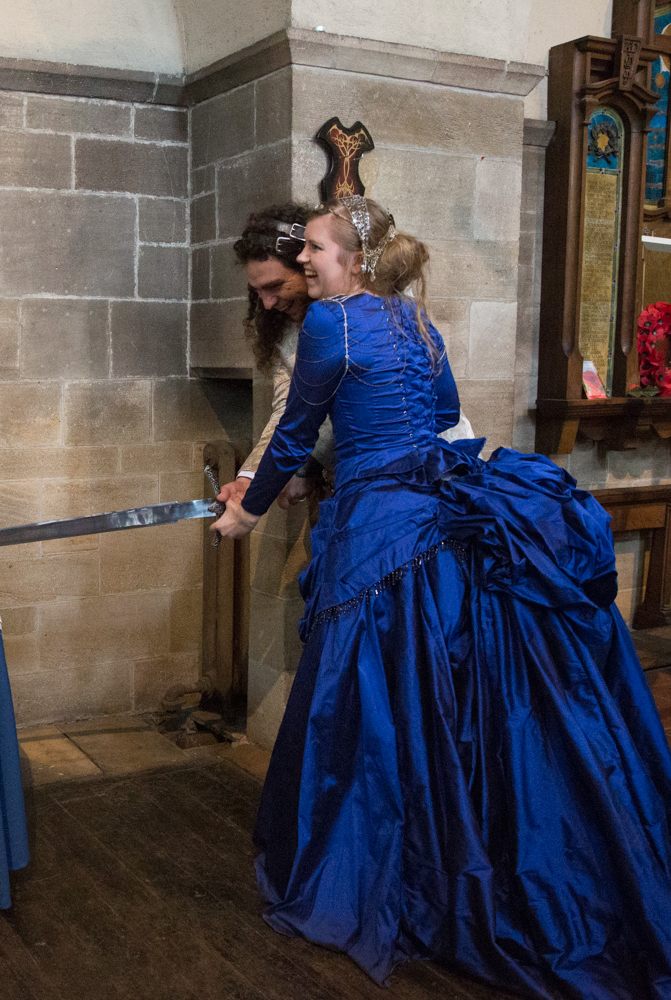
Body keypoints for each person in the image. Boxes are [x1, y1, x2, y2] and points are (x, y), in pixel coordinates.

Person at [211, 196, 671, 1000]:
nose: (307, 260)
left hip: (375, 531)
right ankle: (444, 852)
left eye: (315, 248)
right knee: (431, 702)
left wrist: (246, 510)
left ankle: (373, 865)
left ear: (352, 257)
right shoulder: (419, 325)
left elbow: (293, 433)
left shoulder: (333, 324)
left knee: (366, 702)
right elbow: (443, 417)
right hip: (432, 518)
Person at [221, 205, 471, 512]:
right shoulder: (290, 330)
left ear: (310, 266)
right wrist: (249, 478)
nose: (267, 303)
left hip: (424, 472)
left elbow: (417, 411)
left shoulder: (375, 312)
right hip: (366, 482)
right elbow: (287, 409)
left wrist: (303, 468)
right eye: (257, 291)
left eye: (275, 286)